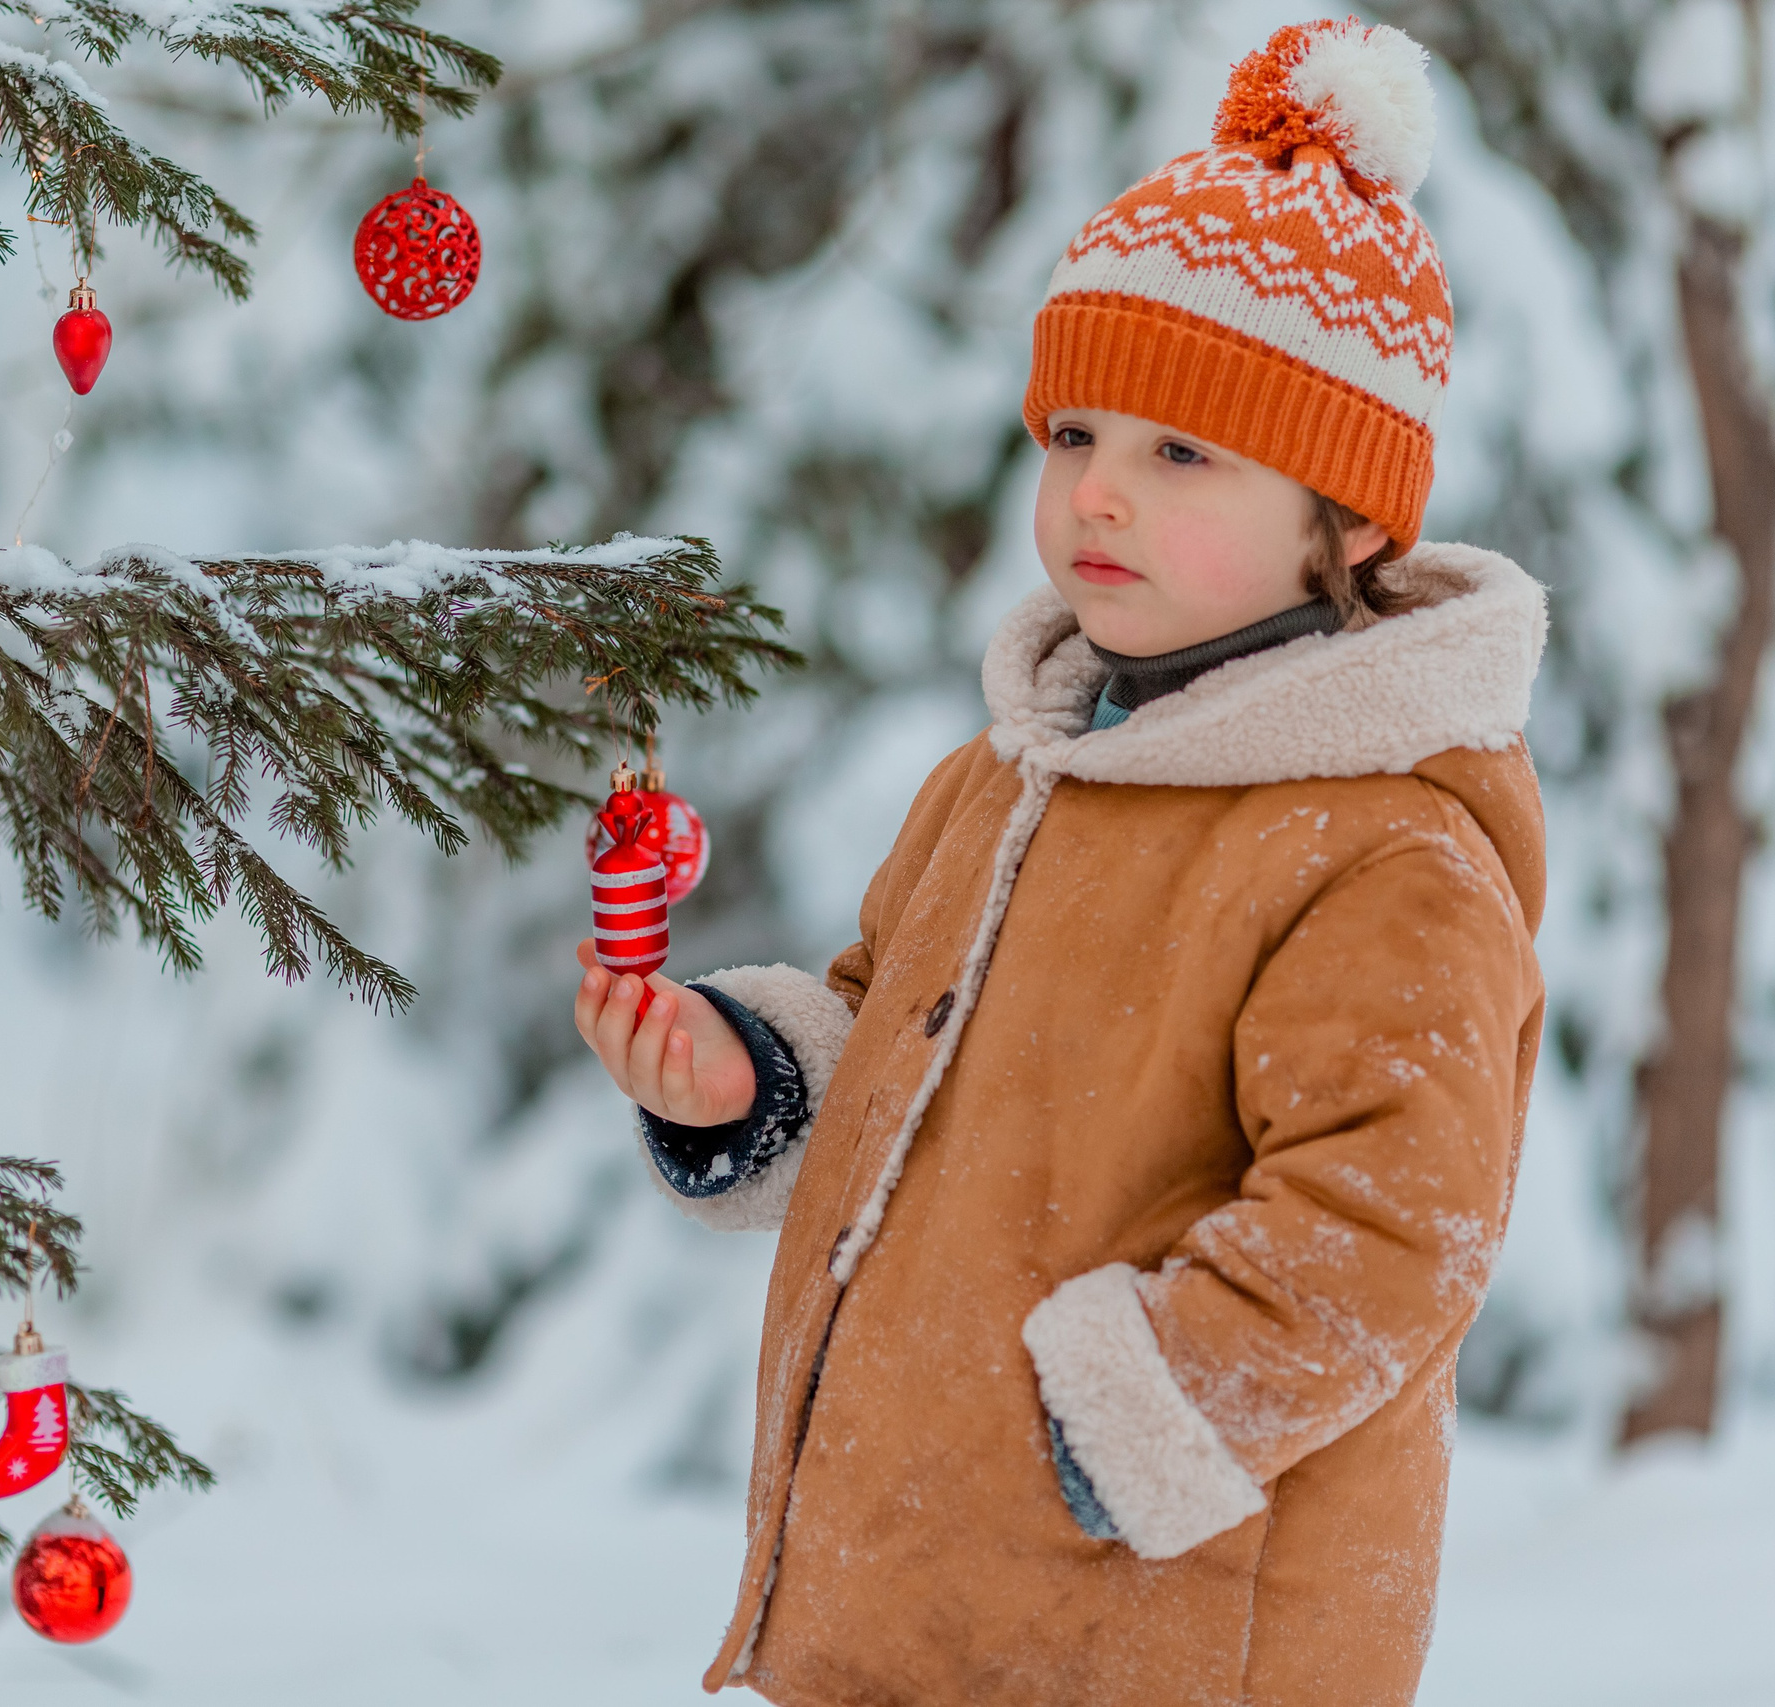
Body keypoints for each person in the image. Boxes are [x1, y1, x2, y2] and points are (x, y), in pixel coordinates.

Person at [571, 20, 1548, 1707]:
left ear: (1355, 523)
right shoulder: (1019, 774)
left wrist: (1129, 1412)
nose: (1098, 492)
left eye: (1183, 453)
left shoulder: (1383, 848)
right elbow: (903, 1029)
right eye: (1075, 433)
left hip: (1160, 1628)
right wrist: (754, 1079)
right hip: (919, 1599)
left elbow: (1395, 1226)